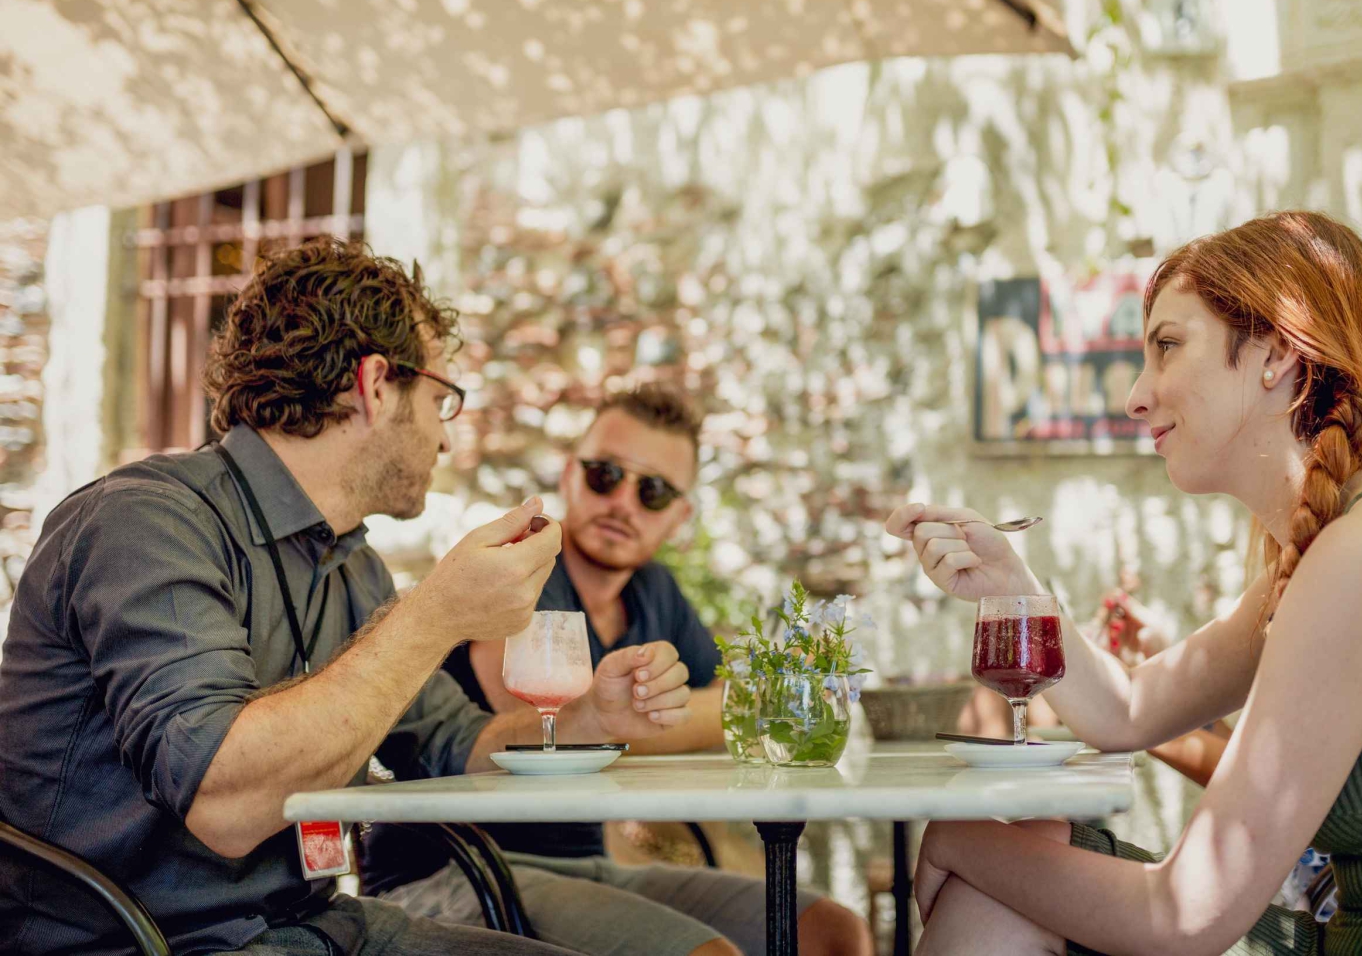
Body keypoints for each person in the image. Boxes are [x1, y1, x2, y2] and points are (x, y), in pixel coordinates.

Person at [0, 238, 694, 956]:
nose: (445, 439)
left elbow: (460, 746)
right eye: (440, 400)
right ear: (376, 385)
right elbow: (226, 804)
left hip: (313, 926)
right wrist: (437, 614)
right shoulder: (144, 522)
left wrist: (587, 717)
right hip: (146, 944)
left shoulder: (352, 567)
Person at [886, 212, 1362, 955]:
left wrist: (964, 840)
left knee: (997, 885)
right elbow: (1127, 709)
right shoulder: (1335, 545)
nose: (1136, 397)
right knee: (1014, 874)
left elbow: (1184, 914)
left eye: (1168, 347)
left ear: (1276, 352)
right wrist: (1010, 584)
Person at [365, 385, 874, 956]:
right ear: (569, 476)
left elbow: (718, 709)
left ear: (679, 514)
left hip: (586, 863)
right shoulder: (524, 567)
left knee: (834, 933)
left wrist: (719, 709)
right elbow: (550, 729)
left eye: (653, 491)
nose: (624, 503)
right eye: (605, 475)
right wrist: (745, 705)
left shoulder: (655, 591)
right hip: (455, 868)